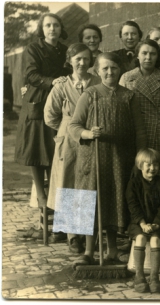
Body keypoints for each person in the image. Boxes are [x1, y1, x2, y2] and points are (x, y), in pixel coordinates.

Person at [69, 52, 147, 266]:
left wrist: (140, 157)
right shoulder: (90, 94)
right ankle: (88, 251)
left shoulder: (129, 96)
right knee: (89, 200)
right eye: (105, 68)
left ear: (120, 70)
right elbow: (74, 125)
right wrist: (87, 133)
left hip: (119, 158)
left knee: (114, 200)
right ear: (97, 71)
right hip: (92, 159)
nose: (109, 72)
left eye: (113, 68)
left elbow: (140, 131)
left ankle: (112, 251)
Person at [44, 43, 101, 253]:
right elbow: (49, 116)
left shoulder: (97, 82)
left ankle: (88, 233)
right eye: (77, 58)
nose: (82, 63)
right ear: (70, 60)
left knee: (86, 182)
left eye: (86, 59)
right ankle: (72, 236)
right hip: (68, 139)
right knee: (68, 181)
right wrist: (67, 126)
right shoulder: (61, 85)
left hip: (90, 135)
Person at [15, 13, 69, 211]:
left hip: (60, 102)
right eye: (48, 25)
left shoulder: (65, 50)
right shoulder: (33, 48)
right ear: (42, 29)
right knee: (37, 150)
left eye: (56, 25)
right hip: (38, 100)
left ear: (60, 28)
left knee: (55, 151)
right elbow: (30, 74)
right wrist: (51, 82)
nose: (52, 29)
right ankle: (41, 195)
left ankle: (55, 198)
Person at [119, 39, 160, 181]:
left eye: (152, 54)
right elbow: (120, 111)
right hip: (134, 134)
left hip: (159, 134)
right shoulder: (126, 78)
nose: (148, 57)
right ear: (137, 55)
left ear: (158, 56)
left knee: (159, 178)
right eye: (144, 53)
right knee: (136, 178)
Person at [126, 148, 160, 293]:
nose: (152, 168)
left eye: (156, 165)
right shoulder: (133, 183)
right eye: (148, 165)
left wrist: (156, 224)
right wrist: (142, 224)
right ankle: (139, 276)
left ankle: (154, 277)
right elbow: (133, 206)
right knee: (139, 238)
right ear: (140, 165)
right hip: (139, 222)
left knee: (155, 240)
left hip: (158, 223)